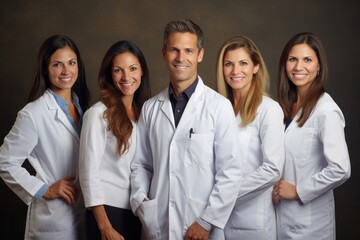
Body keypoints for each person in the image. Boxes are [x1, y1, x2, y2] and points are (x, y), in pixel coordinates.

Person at [130, 19, 242, 240]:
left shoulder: (218, 106)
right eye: (174, 50)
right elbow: (141, 164)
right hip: (158, 225)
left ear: (200, 54)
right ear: (164, 53)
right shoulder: (150, 108)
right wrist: (142, 201)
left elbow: (230, 172)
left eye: (188, 51)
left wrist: (206, 221)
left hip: (201, 226)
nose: (181, 58)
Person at [0, 35, 90, 239]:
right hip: (53, 219)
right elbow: (4, 161)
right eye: (57, 64)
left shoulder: (82, 107)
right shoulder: (33, 113)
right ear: (45, 68)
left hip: (82, 214)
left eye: (71, 63)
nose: (66, 71)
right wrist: (43, 189)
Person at [273, 32, 351, 239]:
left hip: (310, 225)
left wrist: (299, 190)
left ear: (318, 66)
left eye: (307, 60)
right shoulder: (285, 107)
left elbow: (341, 169)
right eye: (293, 59)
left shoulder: (326, 110)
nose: (299, 67)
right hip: (281, 218)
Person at [79, 40, 151, 240]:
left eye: (133, 69)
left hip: (136, 213)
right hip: (107, 213)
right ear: (110, 75)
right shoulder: (98, 114)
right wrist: (105, 227)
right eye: (118, 70)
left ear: (142, 72)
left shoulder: (143, 114)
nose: (127, 77)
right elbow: (88, 172)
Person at [216, 36, 284, 240]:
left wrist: (226, 193)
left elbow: (273, 169)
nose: (235, 71)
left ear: (256, 66)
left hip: (252, 222)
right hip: (217, 219)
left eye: (243, 63)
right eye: (229, 64)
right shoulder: (218, 108)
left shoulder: (269, 109)